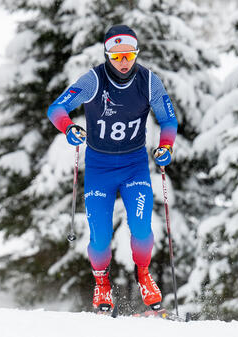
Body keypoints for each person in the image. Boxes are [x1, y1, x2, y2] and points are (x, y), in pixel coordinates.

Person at [47, 25, 177, 313]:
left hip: (134, 167)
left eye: (128, 55)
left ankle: (144, 276)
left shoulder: (149, 82)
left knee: (142, 229)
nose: (123, 62)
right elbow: (56, 109)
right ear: (107, 55)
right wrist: (68, 129)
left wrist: (166, 146)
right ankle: (102, 285)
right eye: (116, 56)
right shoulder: (94, 80)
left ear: (136, 54)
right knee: (100, 237)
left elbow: (168, 120)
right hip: (99, 168)